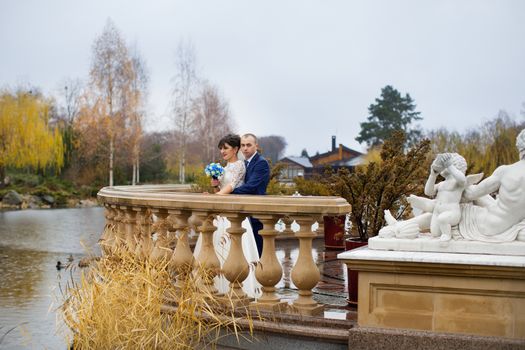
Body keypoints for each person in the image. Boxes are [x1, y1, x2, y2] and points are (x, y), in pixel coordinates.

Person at [194, 134, 261, 297]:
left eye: (225, 148)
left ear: (235, 149)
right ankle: (212, 286)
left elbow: (231, 186)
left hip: (233, 215)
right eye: (221, 148)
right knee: (214, 249)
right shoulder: (222, 168)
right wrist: (215, 187)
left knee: (232, 250)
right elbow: (221, 190)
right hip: (220, 214)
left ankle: (237, 289)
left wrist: (215, 197)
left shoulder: (239, 165)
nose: (222, 151)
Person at [382, 153, 467, 242]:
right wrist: (433, 175)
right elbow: (428, 192)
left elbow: (462, 179)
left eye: (446, 164)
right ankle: (397, 225)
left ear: (455, 166)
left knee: (442, 220)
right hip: (437, 212)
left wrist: (449, 165)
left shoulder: (458, 183)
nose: (443, 166)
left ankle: (447, 234)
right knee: (435, 233)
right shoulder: (442, 184)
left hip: (450, 213)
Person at [459, 129, 525, 242]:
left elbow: (470, 194)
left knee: (451, 207)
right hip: (509, 221)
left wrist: (455, 186)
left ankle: (417, 222)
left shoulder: (505, 172)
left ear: (520, 148)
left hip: (490, 226)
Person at [231, 133, 270, 257]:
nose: (245, 148)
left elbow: (251, 186)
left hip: (257, 211)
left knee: (258, 250)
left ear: (256, 146)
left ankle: (259, 275)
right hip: (246, 211)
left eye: (248, 145)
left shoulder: (261, 163)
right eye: (242, 145)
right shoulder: (244, 163)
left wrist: (229, 192)